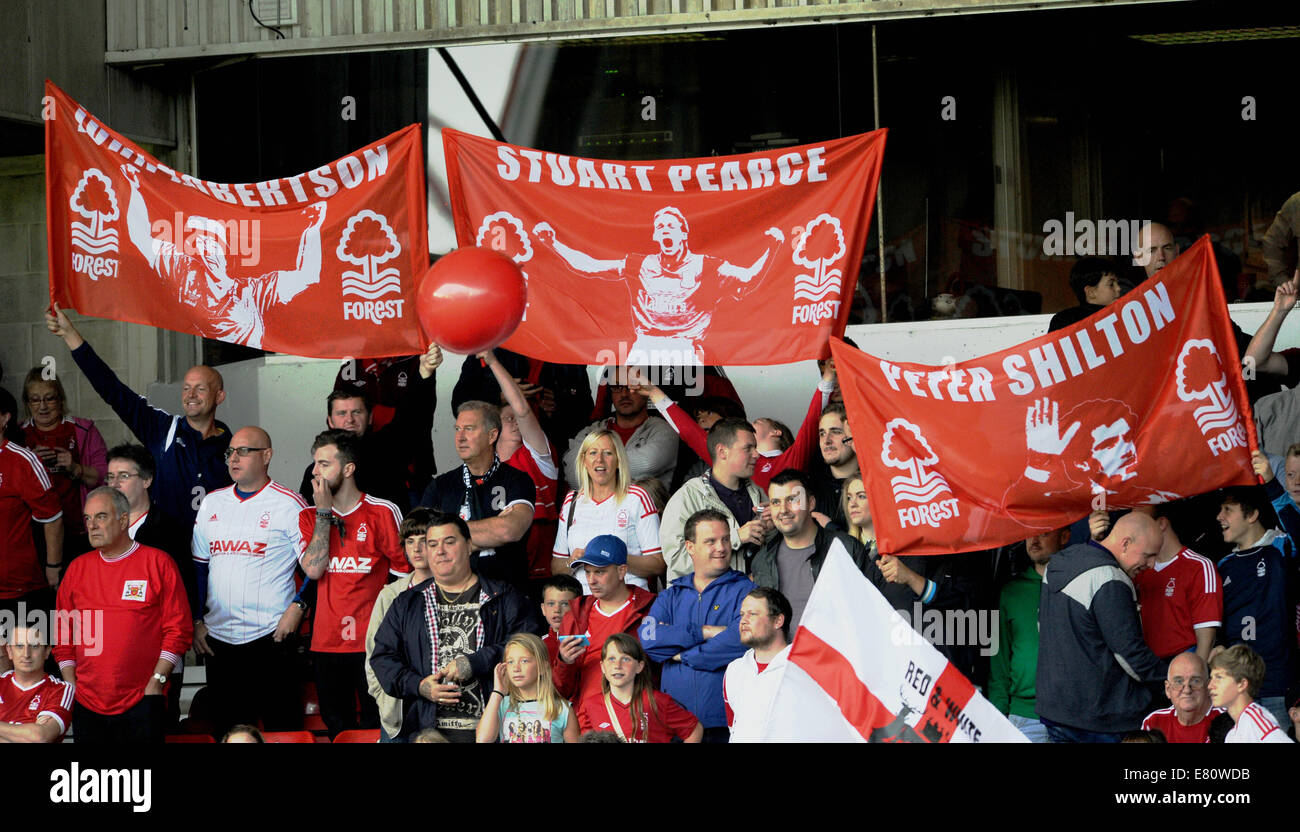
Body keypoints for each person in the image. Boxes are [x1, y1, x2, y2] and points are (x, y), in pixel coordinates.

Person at [46, 303, 232, 527]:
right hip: (166, 545)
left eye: (200, 389)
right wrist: (70, 335)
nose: (191, 395)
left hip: (216, 547)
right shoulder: (162, 429)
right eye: (186, 388)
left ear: (219, 396)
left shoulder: (233, 447)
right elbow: (113, 391)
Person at [369, 513, 542, 742]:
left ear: (469, 546)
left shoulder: (503, 596)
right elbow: (383, 658)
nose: (440, 551)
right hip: (427, 733)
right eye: (433, 544)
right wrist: (419, 686)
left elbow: (530, 647)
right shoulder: (407, 603)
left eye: (449, 542)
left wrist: (474, 663)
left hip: (494, 731)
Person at [534, 209, 784, 365]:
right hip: (645, 348)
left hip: (686, 350)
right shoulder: (640, 265)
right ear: (655, 236)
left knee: (683, 414)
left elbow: (749, 279)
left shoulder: (708, 267)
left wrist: (772, 248)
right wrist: (553, 243)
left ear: (683, 234)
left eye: (671, 226)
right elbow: (589, 266)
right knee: (634, 408)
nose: (665, 230)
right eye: (660, 227)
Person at [122, 163, 327, 348]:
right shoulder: (184, 272)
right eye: (199, 242)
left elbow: (307, 275)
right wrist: (135, 187)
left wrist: (314, 227)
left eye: (211, 244)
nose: (204, 249)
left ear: (227, 255)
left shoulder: (252, 293)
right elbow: (140, 237)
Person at [191, 426, 308, 735]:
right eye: (230, 452)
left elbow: (315, 567)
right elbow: (199, 567)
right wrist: (197, 619)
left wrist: (299, 606)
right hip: (220, 642)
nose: (234, 458)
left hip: (272, 638)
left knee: (283, 732)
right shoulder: (212, 503)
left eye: (244, 451)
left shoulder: (289, 503)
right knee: (230, 734)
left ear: (266, 456)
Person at [54, 487, 192, 744]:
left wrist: (157, 680)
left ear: (123, 520)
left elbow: (179, 629)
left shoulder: (158, 562)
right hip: (87, 703)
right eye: (87, 518)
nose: (92, 525)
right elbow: (63, 635)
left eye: (101, 516)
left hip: (143, 700)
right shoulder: (76, 569)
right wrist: (72, 685)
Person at [298, 429, 408, 738]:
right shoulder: (309, 516)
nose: (315, 472)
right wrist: (323, 513)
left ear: (348, 469)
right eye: (314, 463)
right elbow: (314, 570)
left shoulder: (382, 511)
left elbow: (406, 576)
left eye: (324, 464)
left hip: (373, 643)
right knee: (338, 730)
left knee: (378, 727)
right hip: (326, 643)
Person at [1035, 512, 1167, 742]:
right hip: (1101, 718)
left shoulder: (1056, 565)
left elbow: (1041, 627)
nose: (1151, 564)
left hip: (1055, 711)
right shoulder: (1110, 578)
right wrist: (1171, 682)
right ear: (1125, 543)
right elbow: (1130, 655)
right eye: (1148, 555)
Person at [641, 508, 754, 742]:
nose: (721, 547)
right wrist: (704, 632)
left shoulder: (746, 591)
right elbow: (649, 639)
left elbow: (740, 640)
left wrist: (682, 655)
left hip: (726, 720)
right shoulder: (671, 595)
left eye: (725, 539)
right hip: (676, 722)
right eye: (711, 541)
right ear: (690, 547)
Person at [633, 362, 836, 491]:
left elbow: (811, 422)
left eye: (757, 422)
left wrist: (827, 378)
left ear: (776, 432)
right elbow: (690, 433)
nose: (750, 425)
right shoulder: (731, 457)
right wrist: (654, 393)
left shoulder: (791, 460)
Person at [107, 443, 197, 722]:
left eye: (124, 476)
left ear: (147, 480)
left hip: (158, 655)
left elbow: (184, 593)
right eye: (110, 477)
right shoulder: (100, 531)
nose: (114, 483)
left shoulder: (170, 531)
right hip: (110, 656)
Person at [297, 344, 442, 512]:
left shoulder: (389, 451)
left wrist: (424, 374)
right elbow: (305, 521)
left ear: (370, 417)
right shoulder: (316, 471)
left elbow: (413, 415)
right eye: (342, 413)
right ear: (330, 420)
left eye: (356, 412)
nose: (349, 419)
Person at [1214, 457, 1299, 729]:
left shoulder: (1281, 548)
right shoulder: (1223, 565)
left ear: (1252, 515)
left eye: (1228, 510)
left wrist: (1271, 483)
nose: (1219, 517)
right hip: (1236, 687)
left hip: (1277, 685)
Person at [420, 401, 536, 592]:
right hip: (453, 596)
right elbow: (422, 539)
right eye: (457, 429)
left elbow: (509, 530)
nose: (460, 437)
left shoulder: (517, 480)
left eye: (469, 429)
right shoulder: (440, 485)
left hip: (506, 595)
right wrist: (486, 532)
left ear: (492, 436)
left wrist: (446, 535)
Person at [750, 469, 884, 627]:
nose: (783, 510)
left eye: (792, 500)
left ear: (811, 503)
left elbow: (871, 609)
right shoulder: (762, 560)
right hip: (783, 644)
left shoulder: (846, 547)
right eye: (775, 502)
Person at [479, 349, 562, 597]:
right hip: (493, 575)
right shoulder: (481, 467)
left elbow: (523, 410)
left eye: (518, 417)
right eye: (508, 418)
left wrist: (492, 361)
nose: (516, 421)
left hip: (539, 576)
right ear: (493, 430)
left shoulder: (538, 456)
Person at [0, 387, 64, 674]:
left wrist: (53, 566)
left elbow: (53, 517)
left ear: (4, 418)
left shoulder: (21, 460)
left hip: (21, 590)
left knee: (27, 669)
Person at [553, 428, 664, 594]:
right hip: (583, 602)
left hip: (627, 601)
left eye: (608, 453)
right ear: (583, 460)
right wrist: (572, 561)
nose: (599, 459)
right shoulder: (572, 501)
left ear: (619, 460)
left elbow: (658, 564)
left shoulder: (637, 497)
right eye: (593, 453)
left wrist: (612, 556)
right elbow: (556, 567)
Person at [661, 417, 771, 582]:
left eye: (755, 447)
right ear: (722, 452)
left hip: (751, 595)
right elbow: (677, 560)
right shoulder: (686, 497)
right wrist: (735, 538)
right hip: (705, 597)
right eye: (748, 448)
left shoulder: (758, 493)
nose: (756, 454)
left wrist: (773, 529)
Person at [552, 535, 656, 705]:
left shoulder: (649, 610)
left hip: (632, 714)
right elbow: (561, 691)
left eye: (599, 572)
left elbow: (657, 670)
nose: (591, 580)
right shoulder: (575, 615)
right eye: (587, 572)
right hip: (585, 717)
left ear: (621, 571)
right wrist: (565, 662)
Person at [988, 527, 1068, 743]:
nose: (1034, 540)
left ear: (1064, 536)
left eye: (1043, 533)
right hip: (1023, 716)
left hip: (1071, 717)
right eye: (1028, 532)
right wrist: (997, 716)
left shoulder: (1078, 586)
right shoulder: (1011, 592)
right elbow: (999, 663)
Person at [451, 346, 594, 465]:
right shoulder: (492, 343)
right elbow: (459, 402)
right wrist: (501, 396)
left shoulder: (566, 349)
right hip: (498, 455)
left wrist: (559, 404)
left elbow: (586, 412)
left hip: (551, 455)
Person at [20, 368, 107, 560]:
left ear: (60, 399)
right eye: (35, 400)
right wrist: (29, 463)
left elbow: (105, 477)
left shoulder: (83, 430)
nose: (43, 407)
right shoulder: (18, 434)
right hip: (31, 534)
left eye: (49, 398)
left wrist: (76, 468)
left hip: (78, 530)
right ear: (27, 403)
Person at [365, 507, 434, 742]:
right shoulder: (390, 594)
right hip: (397, 712)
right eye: (410, 541)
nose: (416, 548)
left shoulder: (453, 589)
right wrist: (383, 698)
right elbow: (373, 654)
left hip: (440, 709)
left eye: (424, 540)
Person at [1129, 503, 1221, 662]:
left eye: (1141, 524)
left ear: (1161, 523)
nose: (1133, 532)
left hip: (1184, 660)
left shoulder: (1199, 566)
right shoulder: (1137, 570)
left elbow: (1206, 638)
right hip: (1146, 664)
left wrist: (1195, 673)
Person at [563, 370, 679, 492]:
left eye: (632, 385)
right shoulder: (592, 430)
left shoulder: (664, 431)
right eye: (617, 387)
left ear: (646, 390)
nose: (624, 394)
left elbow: (648, 463)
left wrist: (594, 468)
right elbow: (573, 474)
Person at [576, 632, 703, 743]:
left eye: (626, 659)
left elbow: (694, 730)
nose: (617, 665)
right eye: (611, 659)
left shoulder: (656, 701)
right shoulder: (590, 705)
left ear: (639, 666)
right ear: (603, 667)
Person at [476, 632, 578, 743]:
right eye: (510, 662)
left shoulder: (562, 709)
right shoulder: (501, 704)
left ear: (542, 667)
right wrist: (497, 692)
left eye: (524, 661)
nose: (516, 668)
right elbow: (483, 740)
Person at [724, 587, 792, 742]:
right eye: (742, 614)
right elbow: (734, 726)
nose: (743, 620)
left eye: (752, 614)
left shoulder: (803, 669)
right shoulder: (734, 669)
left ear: (778, 621)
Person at [0, 623, 74, 742]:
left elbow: (39, 737)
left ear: (47, 651)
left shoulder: (60, 689)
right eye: (19, 646)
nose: (26, 654)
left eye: (34, 646)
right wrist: (27, 732)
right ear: (9, 651)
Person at [1208, 644, 1294, 743]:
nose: (1210, 685)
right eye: (1211, 678)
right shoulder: (1234, 733)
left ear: (1241, 684)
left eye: (1219, 677)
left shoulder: (1257, 723)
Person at [1141, 653, 1221, 744]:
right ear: (1168, 689)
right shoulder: (1154, 722)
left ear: (1208, 686)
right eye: (1179, 681)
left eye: (1196, 681)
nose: (1187, 690)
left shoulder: (1226, 720)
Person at [810, 404, 858, 529]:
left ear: (854, 435)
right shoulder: (808, 490)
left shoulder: (876, 485)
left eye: (836, 432)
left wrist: (831, 528)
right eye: (822, 434)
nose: (826, 440)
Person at [1047, 256, 1124, 332]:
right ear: (1091, 292)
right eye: (1111, 284)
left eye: (1117, 283)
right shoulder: (1064, 321)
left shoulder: (1061, 319)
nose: (1118, 288)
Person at [539, 573, 582, 665]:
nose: (557, 610)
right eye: (551, 604)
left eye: (565, 604)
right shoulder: (539, 646)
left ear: (578, 608)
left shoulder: (586, 641)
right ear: (543, 609)